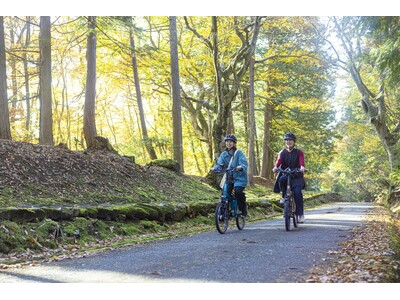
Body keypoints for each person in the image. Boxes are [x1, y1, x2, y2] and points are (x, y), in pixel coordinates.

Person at [210, 134, 248, 217]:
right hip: (229, 177)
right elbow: (219, 164)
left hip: (239, 178)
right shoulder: (224, 154)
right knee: (225, 193)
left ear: (234, 143)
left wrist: (241, 167)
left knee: (238, 192)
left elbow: (244, 163)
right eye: (227, 142)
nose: (228, 143)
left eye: (231, 142)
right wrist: (215, 168)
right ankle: (225, 211)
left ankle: (243, 209)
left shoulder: (239, 153)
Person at [272, 132, 306, 223]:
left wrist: (302, 167)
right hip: (286, 174)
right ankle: (284, 196)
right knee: (281, 180)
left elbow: (301, 161)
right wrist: (276, 167)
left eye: (290, 140)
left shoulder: (299, 152)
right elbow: (278, 161)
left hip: (296, 175)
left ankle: (300, 214)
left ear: (294, 142)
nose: (288, 142)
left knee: (297, 192)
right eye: (287, 140)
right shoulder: (282, 152)